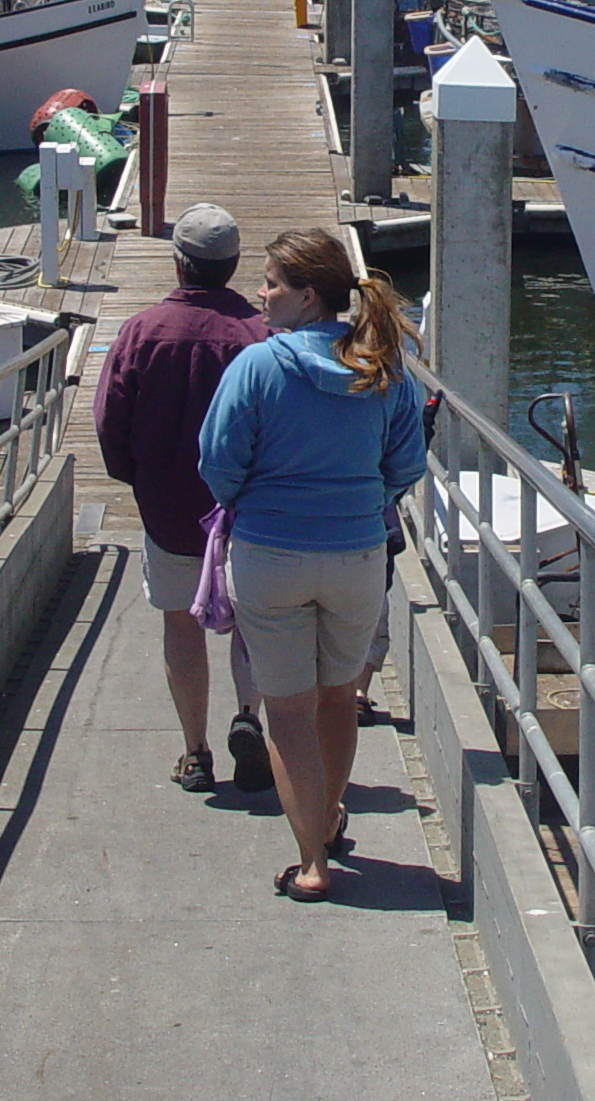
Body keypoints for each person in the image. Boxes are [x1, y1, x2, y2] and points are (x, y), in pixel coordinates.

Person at [198, 227, 425, 901]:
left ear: (305, 295)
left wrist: (253, 500)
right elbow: (406, 463)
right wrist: (362, 502)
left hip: (270, 555)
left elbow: (217, 462)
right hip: (356, 556)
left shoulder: (257, 367)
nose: (260, 295)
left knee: (288, 713)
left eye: (271, 283)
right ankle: (326, 822)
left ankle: (312, 864)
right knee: (338, 702)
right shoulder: (382, 368)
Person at [95, 202, 274, 794]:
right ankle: (248, 717)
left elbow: (108, 421)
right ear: (235, 264)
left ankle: (195, 752)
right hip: (246, 511)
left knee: (180, 622)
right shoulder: (261, 336)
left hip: (170, 509)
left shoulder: (141, 330)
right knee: (253, 619)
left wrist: (138, 479)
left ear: (178, 263)